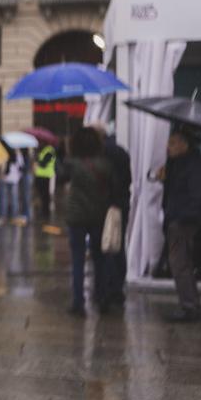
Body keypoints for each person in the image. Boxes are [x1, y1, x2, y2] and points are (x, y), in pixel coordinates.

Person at [59, 127, 114, 316]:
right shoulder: (105, 164)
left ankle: (78, 302)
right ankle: (102, 297)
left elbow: (60, 176)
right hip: (99, 215)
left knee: (78, 260)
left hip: (77, 217)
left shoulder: (72, 163)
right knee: (100, 259)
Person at [156, 129, 201, 322]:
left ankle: (189, 306)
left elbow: (200, 197)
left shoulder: (194, 166)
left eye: (172, 143)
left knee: (180, 264)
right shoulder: (181, 164)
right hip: (178, 219)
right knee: (181, 263)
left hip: (183, 222)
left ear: (184, 144)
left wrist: (180, 217)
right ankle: (189, 304)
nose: (168, 147)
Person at [93, 123, 131, 306]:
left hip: (106, 206)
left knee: (105, 246)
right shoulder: (121, 151)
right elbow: (128, 179)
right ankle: (117, 288)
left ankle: (107, 289)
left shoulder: (101, 153)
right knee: (118, 245)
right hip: (122, 205)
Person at [34, 142, 56, 220]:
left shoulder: (50, 151)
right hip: (41, 176)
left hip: (46, 176)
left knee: (45, 195)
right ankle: (44, 211)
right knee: (42, 195)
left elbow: (44, 163)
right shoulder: (44, 151)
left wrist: (37, 162)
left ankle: (45, 212)